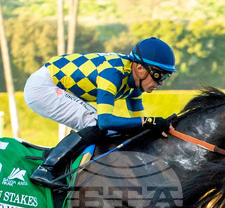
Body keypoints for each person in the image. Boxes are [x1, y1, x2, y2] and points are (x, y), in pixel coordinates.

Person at [24, 37, 176, 190]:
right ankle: (47, 169)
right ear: (139, 68)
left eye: (166, 76)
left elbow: (140, 123)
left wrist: (157, 127)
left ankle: (60, 159)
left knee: (108, 128)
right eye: (158, 75)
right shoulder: (113, 73)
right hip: (43, 87)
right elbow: (105, 121)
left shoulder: (135, 85)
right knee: (96, 124)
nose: (161, 82)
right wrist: (148, 122)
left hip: (53, 85)